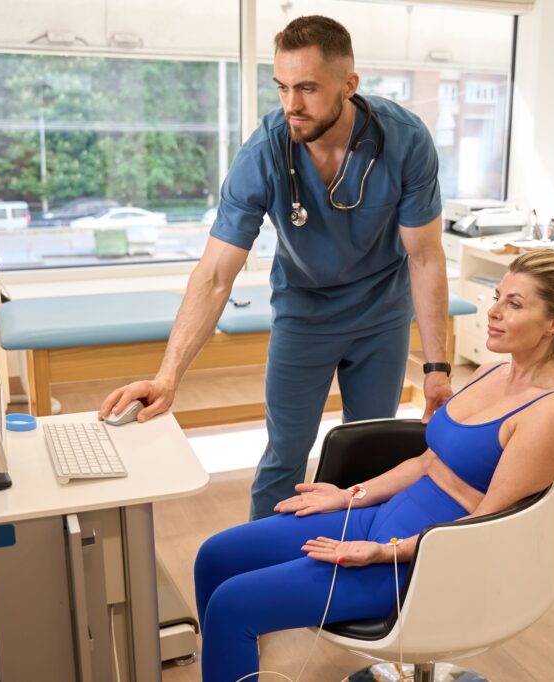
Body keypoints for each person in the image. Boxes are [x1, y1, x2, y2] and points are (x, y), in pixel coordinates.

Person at [193, 249, 554, 682]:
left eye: (514, 304)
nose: (495, 311)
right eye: (498, 296)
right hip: (382, 519)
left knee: (232, 606)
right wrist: (347, 495)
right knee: (215, 557)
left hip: (423, 563)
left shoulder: (550, 413)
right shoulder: (490, 372)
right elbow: (426, 462)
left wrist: (386, 552)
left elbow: (485, 524)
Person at [99, 15, 452, 521]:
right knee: (283, 457)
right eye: (283, 87)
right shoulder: (265, 152)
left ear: (349, 86)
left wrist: (437, 369)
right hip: (304, 314)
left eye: (307, 88)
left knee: (369, 450)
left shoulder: (405, 141)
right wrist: (168, 375)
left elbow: (424, 255)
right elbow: (216, 274)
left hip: (382, 314)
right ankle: (262, 561)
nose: (291, 105)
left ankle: (352, 562)